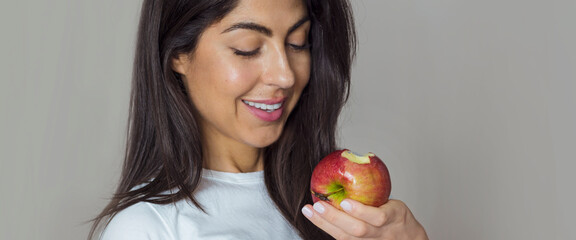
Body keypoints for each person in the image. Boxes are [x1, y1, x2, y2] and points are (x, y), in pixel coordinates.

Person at [89, 0, 428, 239]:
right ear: (178, 53)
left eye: (298, 43)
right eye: (247, 48)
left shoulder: (338, 211)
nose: (285, 76)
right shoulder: (145, 229)